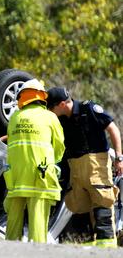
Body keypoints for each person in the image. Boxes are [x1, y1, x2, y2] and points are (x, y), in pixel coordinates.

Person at [46, 87, 122, 248]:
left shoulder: (89, 109)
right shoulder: (61, 119)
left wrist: (119, 158)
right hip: (75, 166)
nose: (50, 111)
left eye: (51, 107)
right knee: (79, 206)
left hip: (96, 164)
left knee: (102, 200)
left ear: (61, 104)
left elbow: (112, 128)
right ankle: (86, 246)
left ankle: (107, 245)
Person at [4, 79, 65, 243]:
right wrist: (55, 162)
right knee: (38, 219)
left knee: (14, 218)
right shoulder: (50, 117)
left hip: (16, 176)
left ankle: (9, 250)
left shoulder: (15, 118)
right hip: (40, 174)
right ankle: (36, 251)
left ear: (22, 97)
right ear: (41, 96)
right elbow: (59, 146)